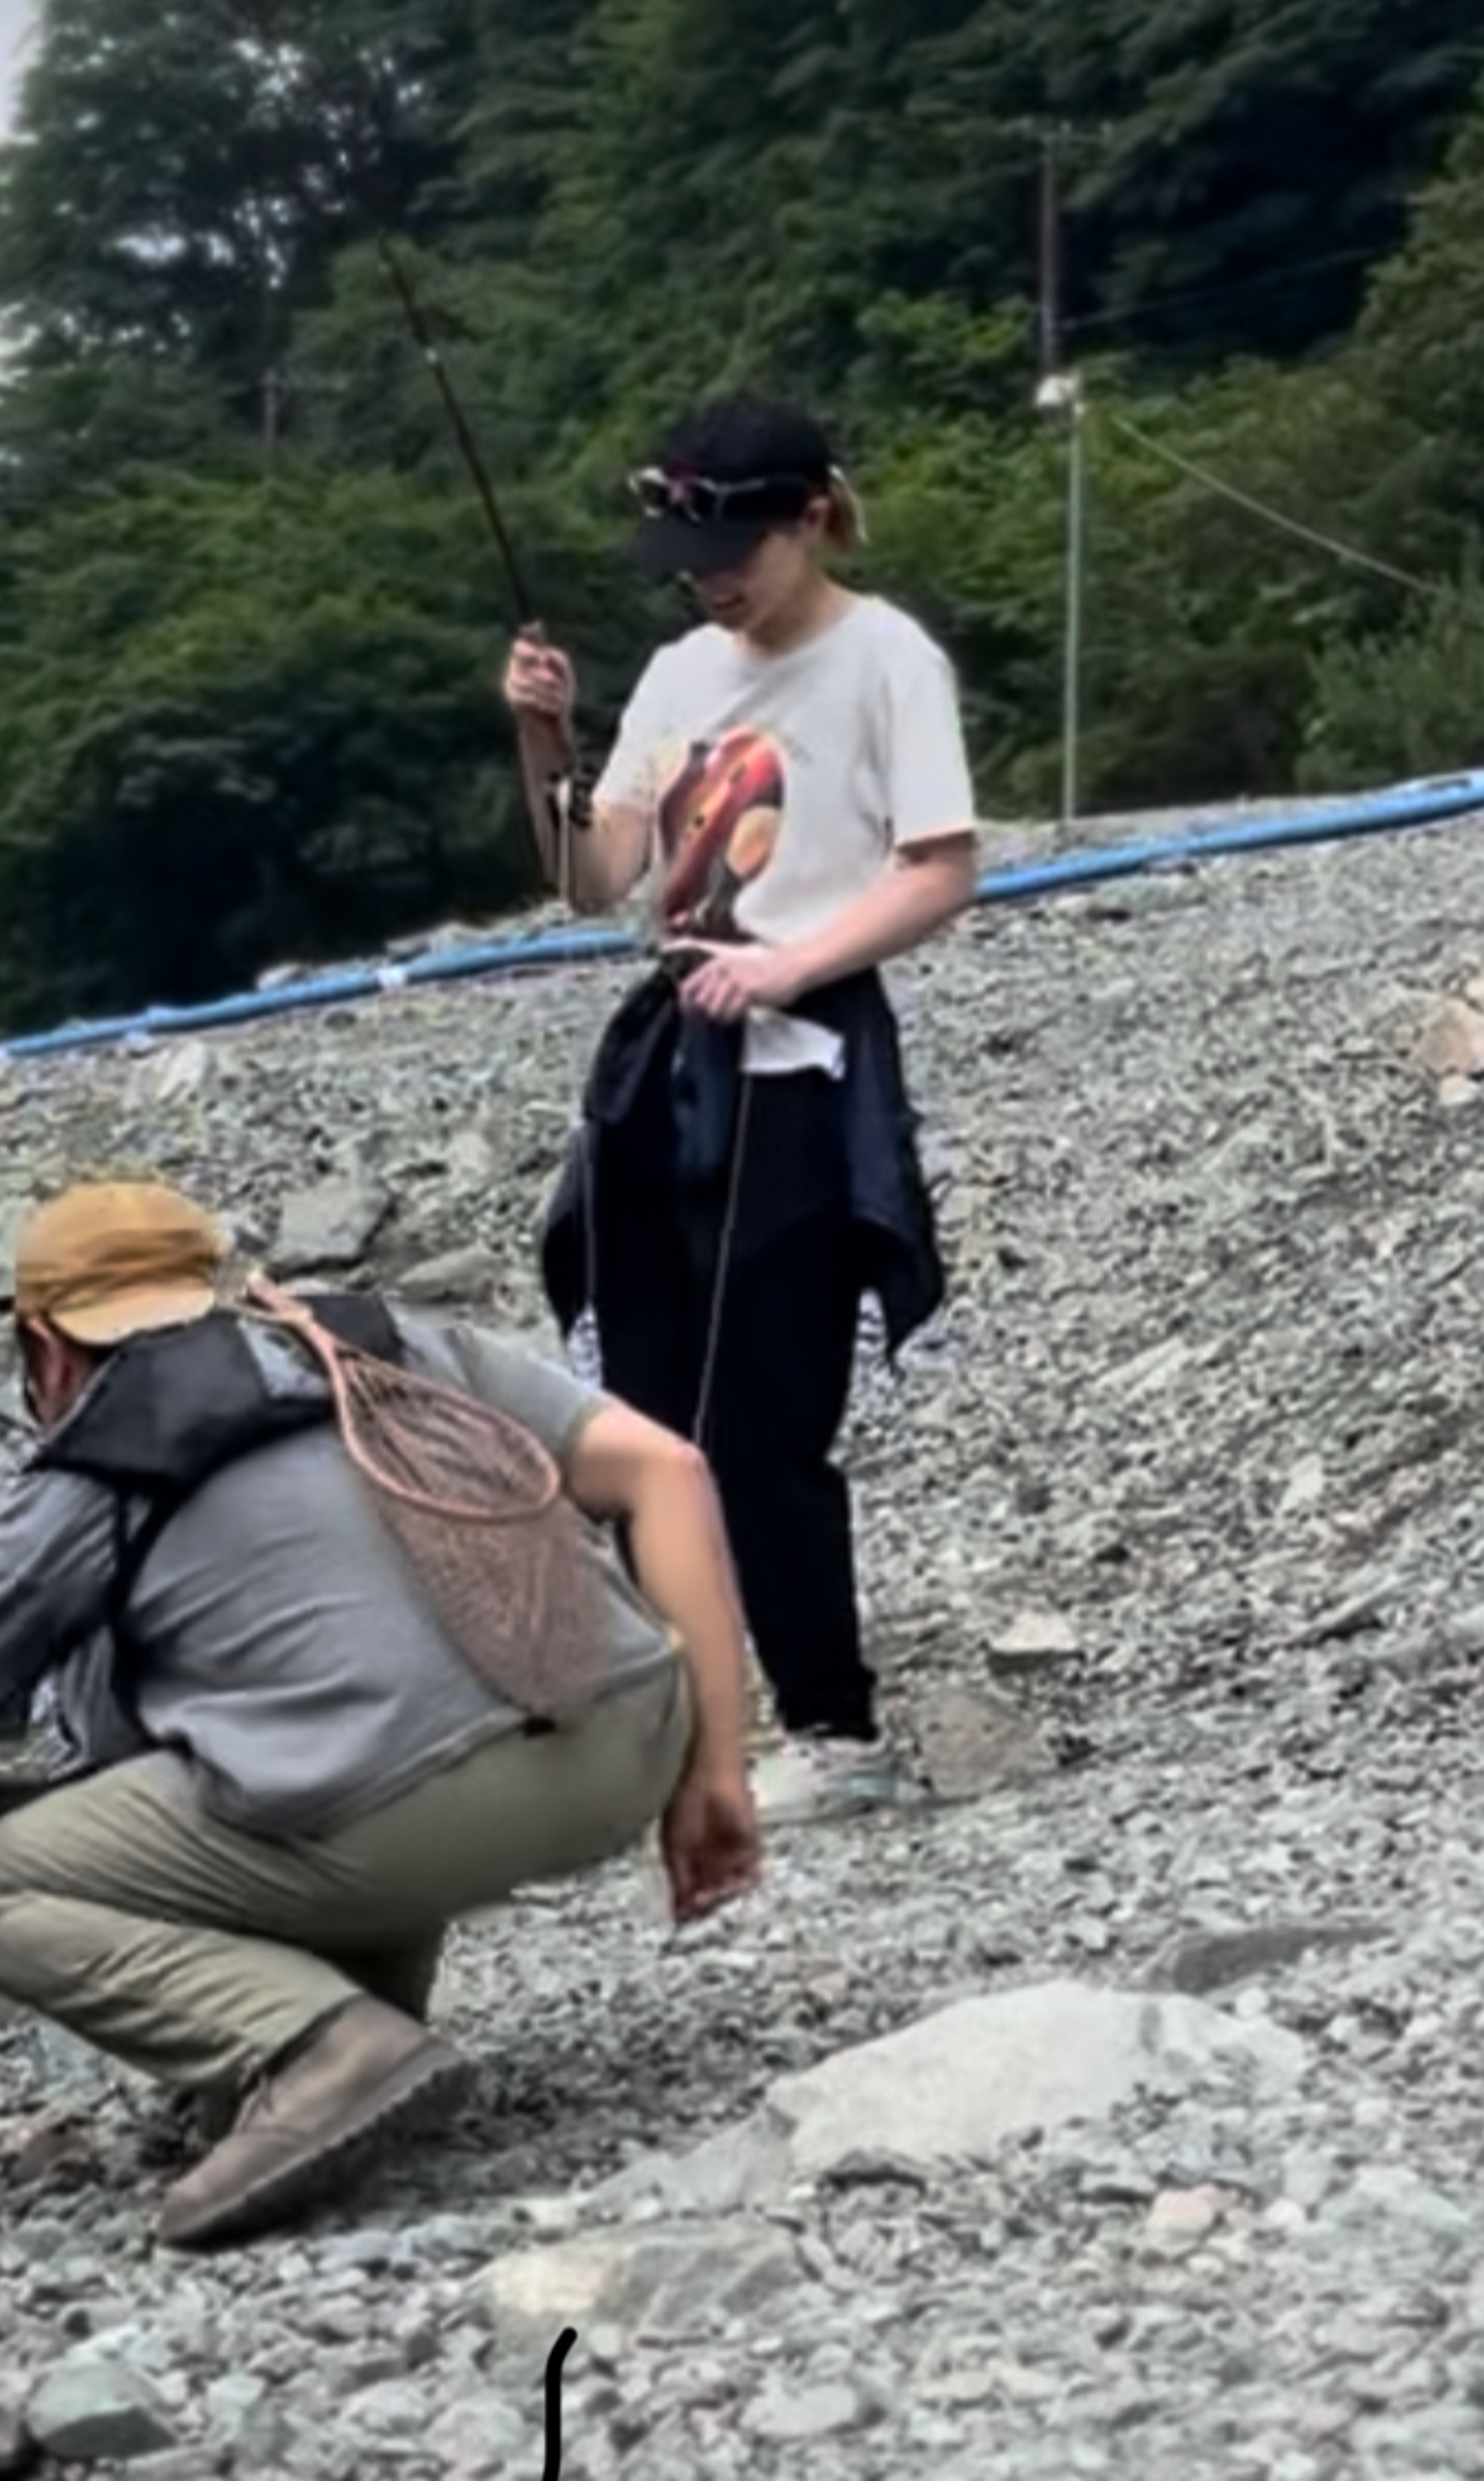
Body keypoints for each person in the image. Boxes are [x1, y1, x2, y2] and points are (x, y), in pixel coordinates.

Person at [0, 1178, 762, 2251]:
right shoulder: (386, 1343)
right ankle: (353, 2029)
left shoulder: (82, 1478)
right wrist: (717, 1771)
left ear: (47, 1350)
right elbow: (670, 1471)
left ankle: (325, 2048)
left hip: (405, 1815)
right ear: (221, 1292)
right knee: (304, 1721)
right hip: (627, 1746)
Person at [505, 393, 979, 1826]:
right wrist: (543, 742)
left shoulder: (886, 659)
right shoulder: (675, 675)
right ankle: (687, 1724)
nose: (708, 580)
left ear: (809, 518)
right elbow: (592, 879)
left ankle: (836, 1731)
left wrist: (789, 963)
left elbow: (942, 867)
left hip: (803, 1069)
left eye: (732, 552)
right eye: (688, 557)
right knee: (647, 1411)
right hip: (669, 1067)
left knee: (765, 1416)